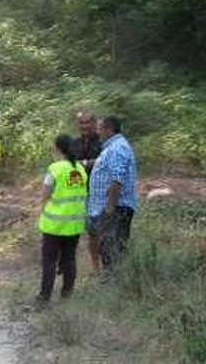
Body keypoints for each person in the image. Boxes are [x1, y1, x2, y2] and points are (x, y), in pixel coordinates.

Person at [37, 134, 88, 305]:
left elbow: (45, 194)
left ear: (58, 148)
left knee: (49, 262)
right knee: (69, 260)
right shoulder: (80, 169)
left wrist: (42, 212)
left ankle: (44, 298)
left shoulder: (55, 168)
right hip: (74, 225)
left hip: (54, 225)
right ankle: (66, 297)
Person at [87, 115, 138, 272]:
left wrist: (109, 207)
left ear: (109, 129)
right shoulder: (113, 147)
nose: (98, 131)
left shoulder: (117, 148)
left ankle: (115, 284)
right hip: (113, 208)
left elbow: (117, 179)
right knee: (110, 248)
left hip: (116, 208)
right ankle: (114, 282)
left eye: (100, 128)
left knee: (113, 249)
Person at [72, 110, 102, 274]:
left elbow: (102, 162)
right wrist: (87, 163)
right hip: (80, 192)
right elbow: (69, 165)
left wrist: (82, 163)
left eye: (87, 122)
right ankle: (95, 268)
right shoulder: (74, 143)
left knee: (102, 231)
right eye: (81, 123)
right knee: (91, 232)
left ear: (95, 123)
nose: (84, 126)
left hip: (100, 192)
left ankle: (109, 266)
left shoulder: (103, 141)